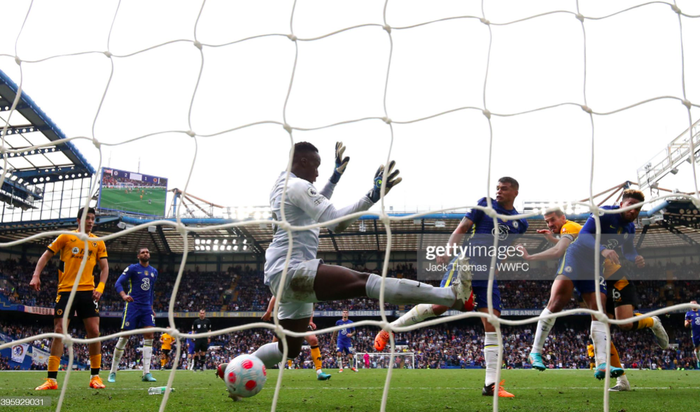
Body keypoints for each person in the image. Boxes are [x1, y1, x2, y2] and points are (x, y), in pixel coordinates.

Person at [250, 142, 473, 378]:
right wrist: (373, 195)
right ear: (302, 162)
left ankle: (240, 365)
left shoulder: (283, 184)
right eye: (316, 166)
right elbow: (335, 222)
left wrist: (335, 178)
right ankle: (451, 296)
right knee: (365, 282)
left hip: (281, 275)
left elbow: (313, 206)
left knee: (290, 349)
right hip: (292, 270)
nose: (317, 173)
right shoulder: (296, 186)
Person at [374, 177, 526, 397]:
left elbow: (506, 245)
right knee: (440, 306)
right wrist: (448, 251)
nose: (499, 191)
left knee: (493, 322)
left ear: (515, 192)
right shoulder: (485, 204)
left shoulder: (521, 222)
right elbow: (462, 228)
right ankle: (390, 328)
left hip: (489, 274)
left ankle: (490, 385)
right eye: (497, 188)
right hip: (467, 263)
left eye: (504, 188)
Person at [521, 200, 668, 390]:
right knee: (601, 319)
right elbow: (572, 244)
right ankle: (615, 374)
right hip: (596, 271)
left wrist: (530, 257)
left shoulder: (579, 226)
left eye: (551, 220)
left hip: (614, 276)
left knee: (622, 322)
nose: (549, 225)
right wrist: (552, 238)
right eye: (547, 222)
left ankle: (651, 322)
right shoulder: (581, 231)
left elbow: (563, 249)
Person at [31, 207, 109, 390]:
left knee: (94, 332)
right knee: (59, 331)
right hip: (66, 291)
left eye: (92, 218)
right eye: (87, 218)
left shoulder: (98, 242)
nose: (90, 221)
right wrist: (36, 275)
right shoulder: (66, 237)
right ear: (78, 220)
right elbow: (46, 255)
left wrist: (100, 287)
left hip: (88, 292)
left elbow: (105, 268)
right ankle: (51, 380)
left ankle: (95, 377)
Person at [108, 247, 159, 383]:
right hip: (133, 306)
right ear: (138, 256)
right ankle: (113, 371)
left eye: (147, 252)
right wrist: (124, 296)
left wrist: (151, 307)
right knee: (124, 336)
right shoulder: (132, 268)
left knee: (150, 336)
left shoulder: (154, 272)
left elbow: (151, 291)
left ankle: (146, 373)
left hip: (146, 308)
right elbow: (118, 283)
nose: (145, 253)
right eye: (143, 252)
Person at [261, 296, 331, 380]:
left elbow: (311, 304)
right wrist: (268, 311)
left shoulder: (308, 287)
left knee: (313, 340)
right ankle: (263, 370)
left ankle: (319, 372)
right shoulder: (287, 284)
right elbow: (275, 295)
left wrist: (310, 321)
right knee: (275, 344)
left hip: (303, 319)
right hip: (287, 318)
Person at [685, 300, 700, 369]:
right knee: (697, 349)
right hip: (695, 334)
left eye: (695, 303)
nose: (694, 305)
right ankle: (698, 360)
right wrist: (688, 323)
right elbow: (685, 325)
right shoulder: (688, 313)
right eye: (692, 304)